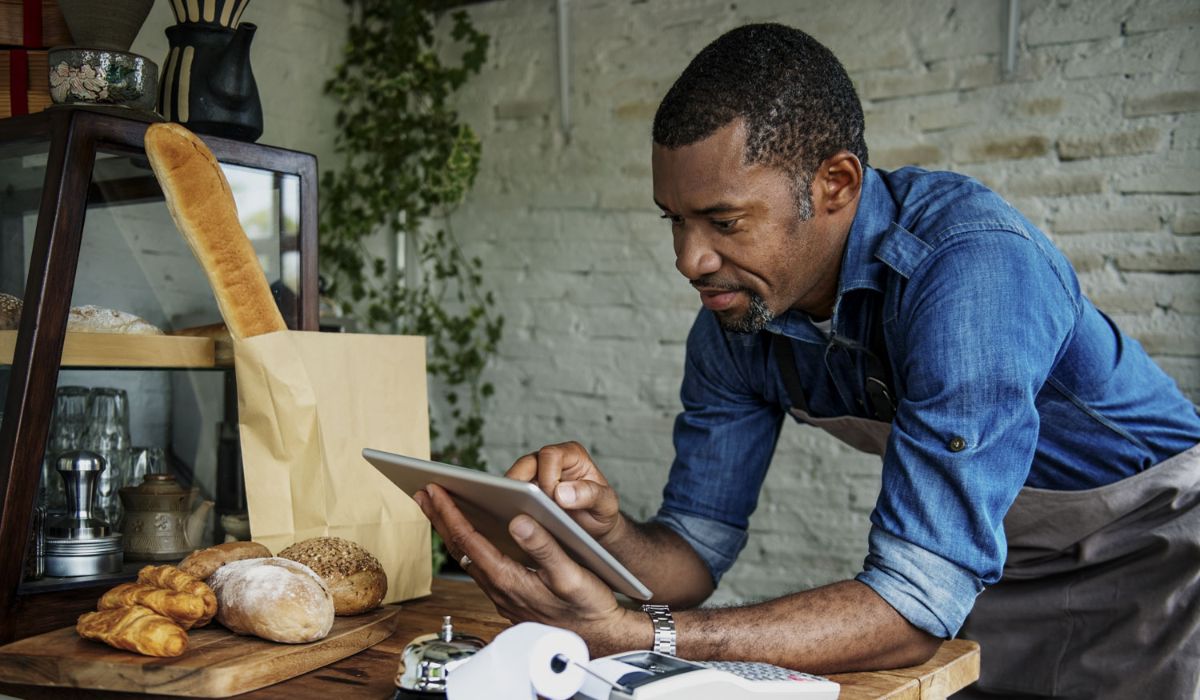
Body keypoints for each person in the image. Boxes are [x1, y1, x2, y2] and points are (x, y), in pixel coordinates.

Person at [414, 23, 1200, 699]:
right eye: (675, 221)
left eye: (723, 221)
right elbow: (692, 553)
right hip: (987, 565)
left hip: (1151, 549)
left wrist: (638, 634)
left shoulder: (971, 271)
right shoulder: (738, 314)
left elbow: (909, 607)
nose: (690, 259)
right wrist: (607, 534)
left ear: (834, 184)